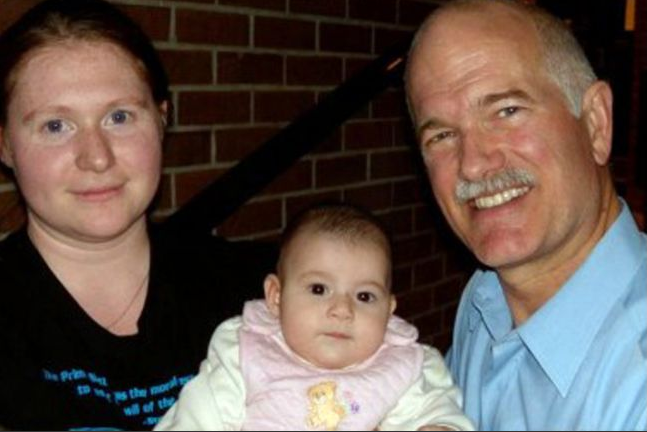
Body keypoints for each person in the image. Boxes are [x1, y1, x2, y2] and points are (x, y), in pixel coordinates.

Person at [0, 0, 275, 429]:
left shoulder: (265, 293)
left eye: (119, 117)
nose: (97, 158)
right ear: (4, 145)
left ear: (162, 120)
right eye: (55, 126)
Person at [405, 0, 647, 430]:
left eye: (506, 111)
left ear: (596, 122)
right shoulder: (484, 299)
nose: (473, 164)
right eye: (441, 135)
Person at [155, 204, 475, 431]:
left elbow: (439, 412)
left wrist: (441, 427)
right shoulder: (244, 352)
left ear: (389, 310)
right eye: (319, 289)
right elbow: (195, 418)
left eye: (364, 296)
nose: (342, 310)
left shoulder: (403, 364)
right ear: (276, 297)